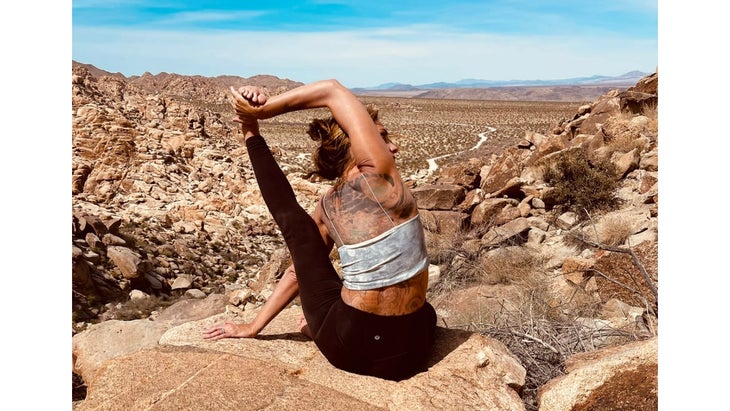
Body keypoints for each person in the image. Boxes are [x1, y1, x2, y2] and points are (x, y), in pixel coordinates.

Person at [203, 79, 437, 381]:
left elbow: (300, 269)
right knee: (426, 313)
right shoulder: (383, 177)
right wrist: (261, 110)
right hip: (410, 350)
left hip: (347, 346)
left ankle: (316, 327)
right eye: (380, 137)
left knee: (302, 236)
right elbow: (332, 91)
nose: (392, 146)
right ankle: (318, 326)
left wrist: (251, 124)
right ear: (356, 145)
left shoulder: (327, 208)